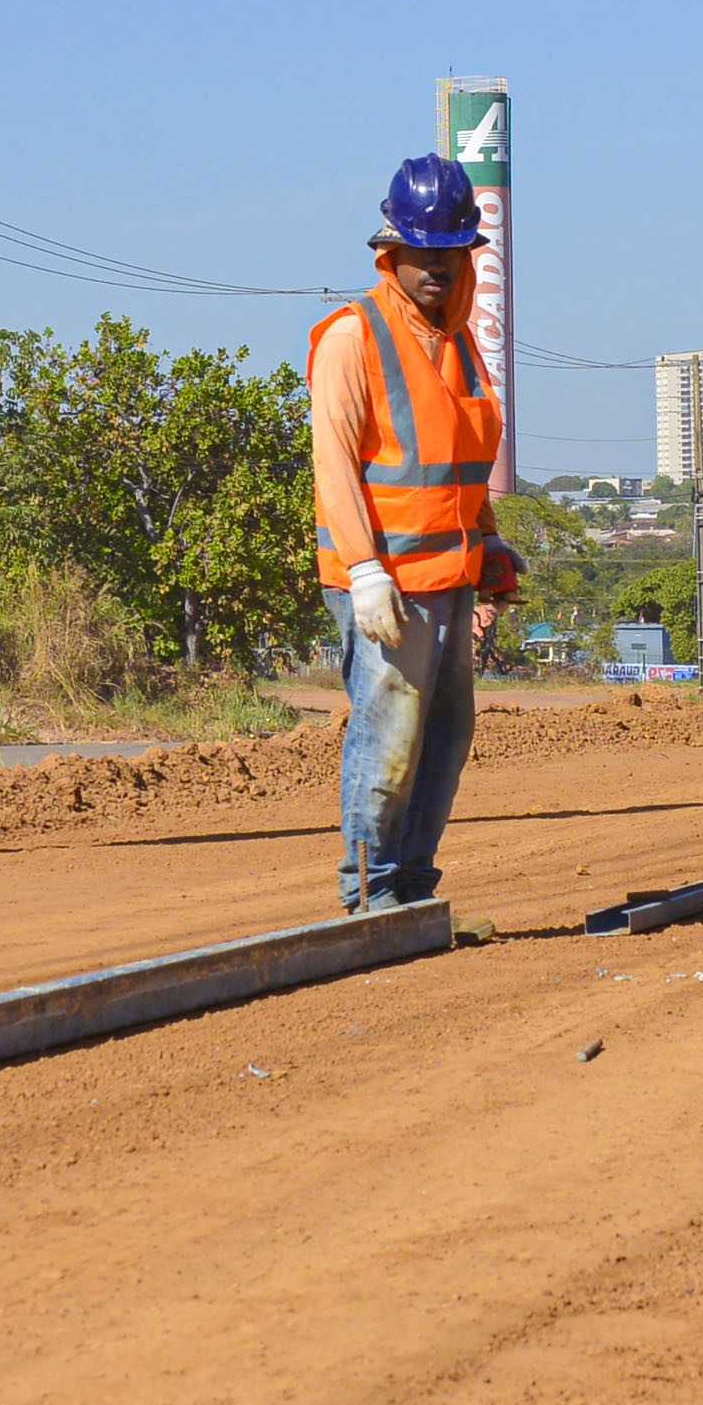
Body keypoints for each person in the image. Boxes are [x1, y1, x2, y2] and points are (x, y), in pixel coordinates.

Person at [307, 154, 519, 912]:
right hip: (387, 585)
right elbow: (332, 463)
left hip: (452, 576)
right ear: (389, 251)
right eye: (422, 252)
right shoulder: (352, 337)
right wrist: (364, 572)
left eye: (450, 251)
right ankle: (369, 893)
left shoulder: (460, 344)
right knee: (389, 731)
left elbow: (461, 460)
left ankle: (415, 886)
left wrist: (487, 543)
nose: (435, 267)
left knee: (445, 736)